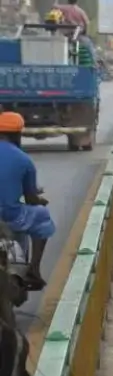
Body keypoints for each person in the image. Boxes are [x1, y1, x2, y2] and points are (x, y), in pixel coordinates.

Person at [0, 112, 55, 290]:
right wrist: (40, 201)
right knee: (42, 216)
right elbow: (31, 198)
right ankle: (34, 270)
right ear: (17, 134)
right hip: (10, 216)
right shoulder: (24, 160)